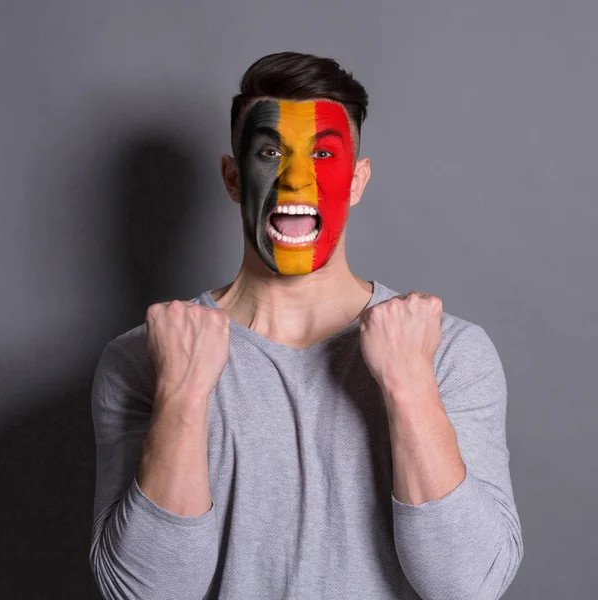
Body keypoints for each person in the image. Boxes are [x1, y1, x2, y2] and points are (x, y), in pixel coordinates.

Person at [89, 51, 524, 599]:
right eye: (270, 151)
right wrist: (182, 394)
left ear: (358, 180)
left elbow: (467, 586)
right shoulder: (140, 360)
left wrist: (411, 389)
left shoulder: (448, 353)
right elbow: (148, 593)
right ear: (231, 176)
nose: (297, 178)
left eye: (323, 153)